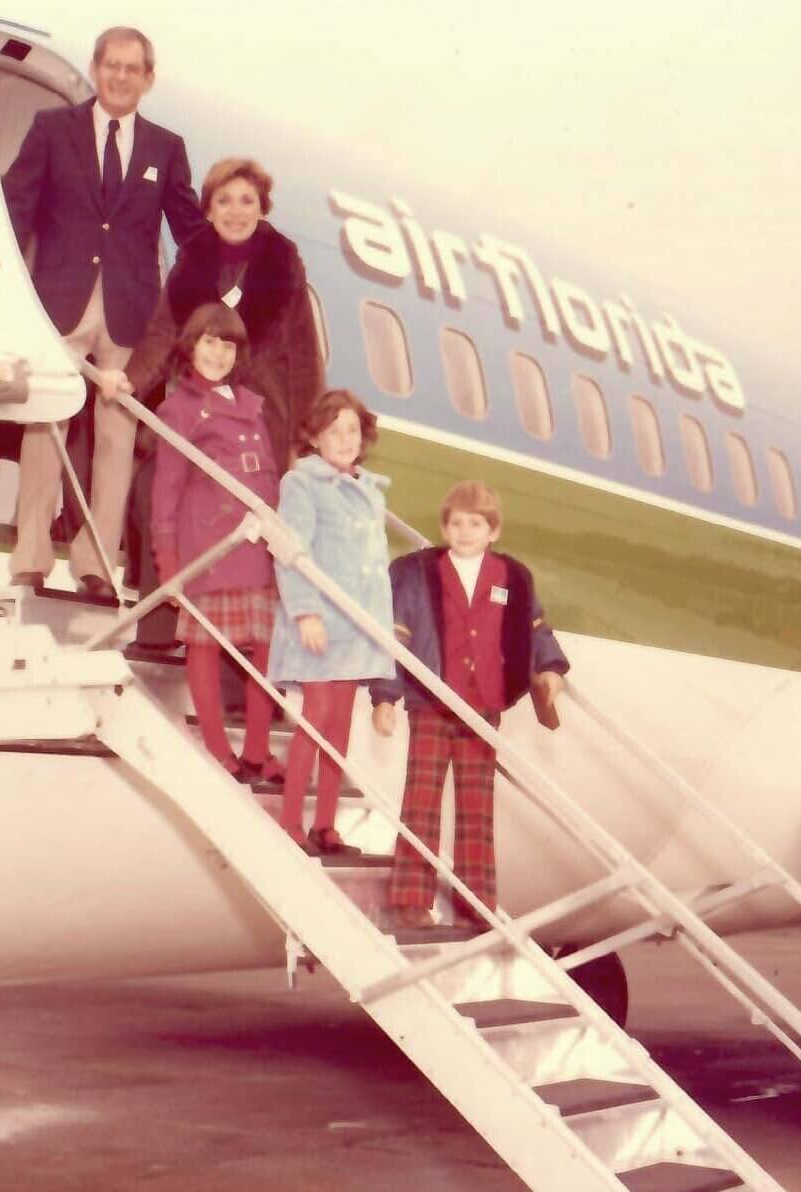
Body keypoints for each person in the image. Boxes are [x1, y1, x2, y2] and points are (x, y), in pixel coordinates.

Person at [0, 26, 202, 600]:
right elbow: (17, 206)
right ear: (96, 67)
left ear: (148, 78)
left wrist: (235, 269)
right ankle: (31, 554)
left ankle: (95, 562)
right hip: (60, 302)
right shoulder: (52, 130)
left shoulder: (166, 149)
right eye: (111, 65)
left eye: (131, 68)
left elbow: (189, 231)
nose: (119, 76)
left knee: (117, 437)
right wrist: (9, 288)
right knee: (46, 423)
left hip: (130, 312)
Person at [369, 481, 570, 928]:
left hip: (484, 705)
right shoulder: (418, 574)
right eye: (456, 523)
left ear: (492, 531)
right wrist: (385, 695)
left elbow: (535, 628)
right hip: (431, 701)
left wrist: (551, 667)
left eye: (475, 523)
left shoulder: (512, 578)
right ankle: (411, 900)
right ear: (444, 527)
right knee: (420, 800)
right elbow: (395, 635)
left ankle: (475, 901)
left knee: (477, 806)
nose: (464, 531)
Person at [104, 155, 323, 462]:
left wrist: (306, 441)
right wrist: (131, 380)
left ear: (262, 208)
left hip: (263, 423)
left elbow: (304, 358)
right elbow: (161, 336)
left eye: (247, 201)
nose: (236, 212)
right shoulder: (190, 264)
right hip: (199, 419)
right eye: (224, 201)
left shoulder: (284, 266)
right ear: (208, 210)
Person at [152, 303, 285, 782]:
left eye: (228, 345)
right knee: (204, 648)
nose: (219, 353)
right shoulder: (179, 409)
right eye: (210, 341)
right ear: (191, 345)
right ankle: (214, 745)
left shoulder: (252, 405)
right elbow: (165, 487)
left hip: (256, 547)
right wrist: (167, 556)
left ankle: (255, 748)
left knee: (267, 647)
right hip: (210, 547)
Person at [267, 390, 395, 855]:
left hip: (356, 629)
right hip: (319, 623)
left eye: (353, 431)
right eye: (335, 430)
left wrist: (380, 628)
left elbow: (374, 568)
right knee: (316, 718)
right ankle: (289, 821)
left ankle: (325, 825)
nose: (345, 439)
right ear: (316, 436)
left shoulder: (369, 493)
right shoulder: (303, 484)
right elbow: (289, 549)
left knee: (340, 725)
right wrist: (304, 612)